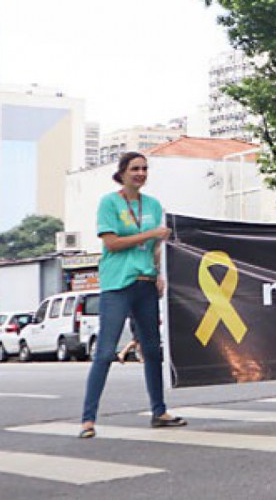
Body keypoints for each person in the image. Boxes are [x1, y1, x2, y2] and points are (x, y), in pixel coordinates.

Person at [79, 152, 186, 438]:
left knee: (152, 350)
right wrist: (149, 234)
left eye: (144, 169)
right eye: (135, 168)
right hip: (117, 284)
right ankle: (88, 419)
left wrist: (158, 271)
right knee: (105, 351)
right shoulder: (109, 202)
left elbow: (155, 247)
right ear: (122, 172)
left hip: (145, 283)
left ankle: (159, 411)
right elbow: (112, 243)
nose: (140, 173)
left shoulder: (152, 205)